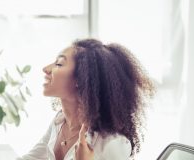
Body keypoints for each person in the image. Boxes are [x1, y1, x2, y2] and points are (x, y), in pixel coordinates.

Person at [17, 39, 155, 160]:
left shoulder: (111, 144)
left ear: (81, 79)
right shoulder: (60, 121)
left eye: (59, 64)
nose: (46, 69)